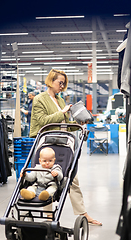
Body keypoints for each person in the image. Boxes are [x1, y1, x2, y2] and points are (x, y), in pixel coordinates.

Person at [29, 69, 102, 226]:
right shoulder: (39, 99)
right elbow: (42, 121)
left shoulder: (60, 100)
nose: (62, 86)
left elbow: (65, 125)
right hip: (47, 146)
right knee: (46, 178)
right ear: (50, 81)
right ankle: (49, 216)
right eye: (59, 82)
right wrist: (62, 112)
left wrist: (79, 125)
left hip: (63, 145)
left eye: (64, 83)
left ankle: (84, 213)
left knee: (72, 179)